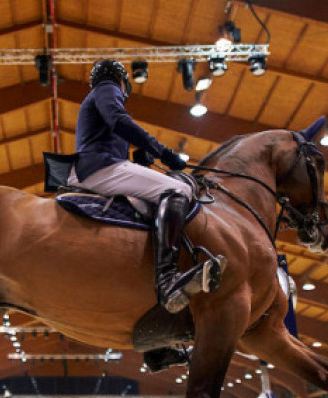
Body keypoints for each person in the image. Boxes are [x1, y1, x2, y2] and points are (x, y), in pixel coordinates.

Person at [68, 59, 224, 313]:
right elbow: (119, 120)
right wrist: (161, 151)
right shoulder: (108, 88)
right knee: (179, 190)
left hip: (100, 165)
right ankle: (167, 280)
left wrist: (138, 160)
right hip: (99, 168)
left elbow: (108, 134)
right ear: (122, 81)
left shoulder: (96, 95)